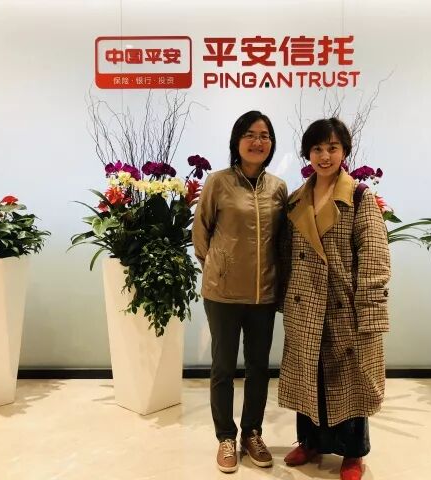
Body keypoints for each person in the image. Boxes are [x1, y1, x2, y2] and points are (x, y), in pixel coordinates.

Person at [278, 118, 391, 480]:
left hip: (344, 305)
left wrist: (370, 311)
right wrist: (283, 300)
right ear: (307, 154)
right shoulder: (296, 200)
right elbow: (286, 254)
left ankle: (353, 453)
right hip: (305, 305)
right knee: (308, 375)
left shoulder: (359, 197)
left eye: (332, 148)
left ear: (344, 152)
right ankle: (310, 441)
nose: (324, 156)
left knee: (349, 382)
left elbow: (374, 256)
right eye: (317, 149)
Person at [192, 110, 287, 473]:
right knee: (223, 367)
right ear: (236, 141)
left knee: (259, 368)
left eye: (264, 135)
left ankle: (252, 433)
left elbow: (281, 241)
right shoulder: (218, 182)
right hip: (223, 294)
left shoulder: (278, 188)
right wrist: (220, 267)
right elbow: (201, 232)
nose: (257, 141)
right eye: (249, 134)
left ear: (271, 143)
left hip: (264, 293)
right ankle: (225, 437)